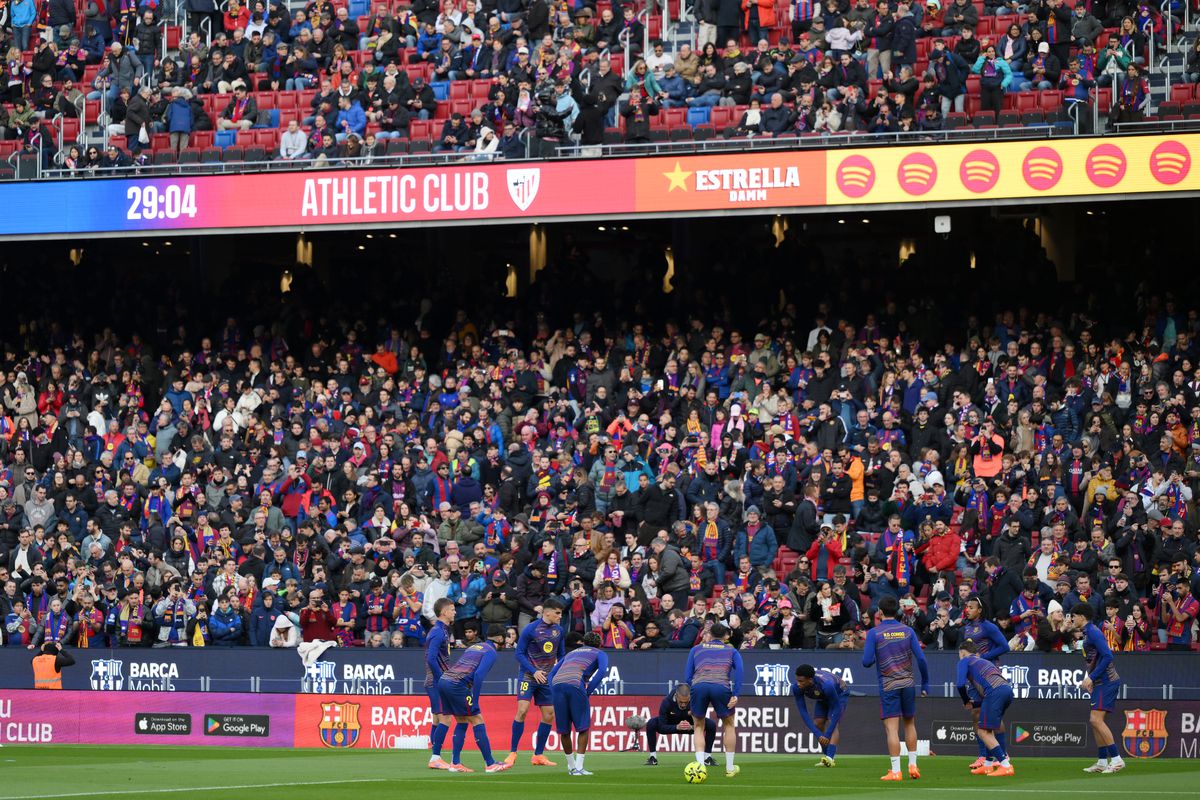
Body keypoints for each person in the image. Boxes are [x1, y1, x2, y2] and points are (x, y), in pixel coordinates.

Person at [862, 595, 929, 781]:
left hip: (889, 684)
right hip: (908, 683)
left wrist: (877, 655)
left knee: (892, 729)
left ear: (879, 612)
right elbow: (921, 658)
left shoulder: (874, 633)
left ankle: (896, 771)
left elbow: (866, 662)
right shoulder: (908, 631)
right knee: (910, 723)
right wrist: (925, 682)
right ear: (897, 611)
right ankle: (913, 765)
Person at [436, 637, 511, 773]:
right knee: (477, 719)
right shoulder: (491, 651)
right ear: (500, 638)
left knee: (462, 720)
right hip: (457, 684)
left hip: (444, 681)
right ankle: (490, 764)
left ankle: (455, 763)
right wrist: (475, 700)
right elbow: (478, 675)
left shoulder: (474, 647)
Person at [505, 597, 564, 767]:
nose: (560, 616)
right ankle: (513, 752)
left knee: (549, 714)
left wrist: (556, 672)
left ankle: (538, 755)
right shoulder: (531, 629)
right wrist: (534, 671)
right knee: (522, 710)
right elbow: (519, 653)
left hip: (546, 678)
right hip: (529, 676)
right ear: (547, 612)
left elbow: (561, 655)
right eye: (557, 613)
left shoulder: (559, 630)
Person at [1071, 603, 1126, 774]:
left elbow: (1108, 655)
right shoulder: (1088, 632)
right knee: (1094, 721)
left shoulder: (1093, 632)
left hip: (1107, 681)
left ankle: (1117, 760)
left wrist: (1092, 678)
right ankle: (1102, 761)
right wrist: (1092, 680)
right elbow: (1094, 659)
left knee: (1096, 720)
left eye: (1074, 616)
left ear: (1082, 617)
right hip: (1099, 682)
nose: (1072, 619)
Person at [684, 622, 743, 778]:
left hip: (699, 686)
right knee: (729, 725)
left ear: (709, 634)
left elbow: (687, 676)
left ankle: (700, 767)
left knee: (698, 726)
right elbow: (740, 672)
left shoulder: (696, 649)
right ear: (726, 636)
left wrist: (695, 688)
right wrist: (735, 694)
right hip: (721, 687)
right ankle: (729, 768)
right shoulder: (732, 651)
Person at [960, 594, 1011, 768]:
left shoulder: (989, 626)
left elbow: (1005, 646)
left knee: (992, 715)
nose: (968, 610)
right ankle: (983, 755)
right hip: (975, 676)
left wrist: (983, 657)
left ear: (980, 610)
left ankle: (1003, 754)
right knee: (976, 714)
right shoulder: (967, 627)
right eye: (967, 607)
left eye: (971, 607)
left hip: (988, 674)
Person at [548, 631, 609, 775]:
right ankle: (579, 767)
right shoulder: (600, 653)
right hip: (575, 684)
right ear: (599, 644)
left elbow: (551, 674)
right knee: (583, 728)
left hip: (557, 685)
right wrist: (588, 691)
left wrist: (553, 690)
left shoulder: (571, 653)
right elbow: (601, 672)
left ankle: (571, 767)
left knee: (564, 730)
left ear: (584, 643)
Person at [956, 640, 1015, 776]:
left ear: (962, 653)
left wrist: (966, 700)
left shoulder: (964, 661)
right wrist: (974, 704)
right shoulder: (985, 662)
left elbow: (960, 685)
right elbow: (986, 698)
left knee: (982, 731)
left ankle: (1005, 765)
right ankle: (988, 764)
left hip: (994, 693)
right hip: (1007, 691)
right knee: (989, 729)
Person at [792, 663, 850, 767]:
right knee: (818, 723)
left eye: (801, 681)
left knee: (832, 723)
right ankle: (827, 757)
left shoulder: (826, 685)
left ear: (810, 680)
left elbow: (837, 709)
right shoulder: (796, 688)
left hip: (839, 694)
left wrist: (827, 735)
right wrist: (818, 734)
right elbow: (803, 712)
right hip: (822, 697)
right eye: (797, 680)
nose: (798, 684)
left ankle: (830, 758)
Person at [644, 684, 717, 766]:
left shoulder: (696, 701)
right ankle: (653, 757)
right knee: (651, 723)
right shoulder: (666, 702)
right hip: (672, 723)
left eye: (686, 702)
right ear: (676, 696)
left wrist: (692, 727)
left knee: (711, 725)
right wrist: (676, 727)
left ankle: (707, 758)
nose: (683, 705)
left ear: (690, 697)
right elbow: (661, 727)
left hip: (691, 725)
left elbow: (701, 721)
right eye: (681, 702)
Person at [426, 597, 456, 770]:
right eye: (452, 609)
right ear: (444, 612)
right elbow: (431, 658)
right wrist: (441, 678)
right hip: (436, 681)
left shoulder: (442, 630)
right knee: (446, 718)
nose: (454, 612)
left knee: (437, 719)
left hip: (435, 681)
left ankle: (435, 756)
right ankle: (435, 757)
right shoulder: (438, 631)